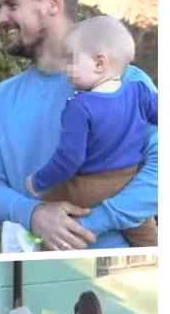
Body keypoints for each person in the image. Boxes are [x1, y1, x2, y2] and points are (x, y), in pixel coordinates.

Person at [0, 0, 157, 251]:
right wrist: (33, 214)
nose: (0, 18)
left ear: (52, 3)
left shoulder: (124, 83)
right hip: (33, 263)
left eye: (12, 5)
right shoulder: (2, 98)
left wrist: (90, 223)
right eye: (0, 8)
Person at [25, 15, 158, 247]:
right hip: (129, 178)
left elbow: (69, 160)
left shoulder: (80, 107)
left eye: (71, 61)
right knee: (145, 232)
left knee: (44, 209)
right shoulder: (140, 92)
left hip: (89, 186)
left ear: (99, 63)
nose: (65, 69)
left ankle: (32, 242)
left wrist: (37, 182)